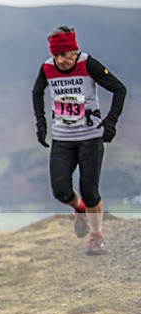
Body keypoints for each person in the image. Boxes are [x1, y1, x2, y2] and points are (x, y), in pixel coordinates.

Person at [32, 26, 126, 255]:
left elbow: (119, 89)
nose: (60, 60)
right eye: (56, 55)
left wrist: (110, 122)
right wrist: (41, 124)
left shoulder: (88, 64)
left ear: (74, 51)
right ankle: (79, 209)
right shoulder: (47, 68)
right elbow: (37, 92)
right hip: (62, 140)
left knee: (90, 192)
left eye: (64, 54)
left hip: (90, 138)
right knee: (61, 192)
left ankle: (96, 237)